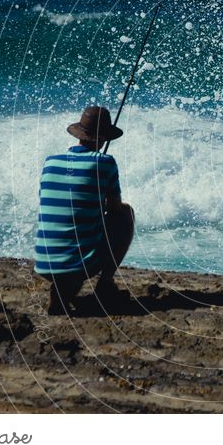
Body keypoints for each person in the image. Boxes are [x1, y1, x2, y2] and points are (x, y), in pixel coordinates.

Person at [33, 105, 135, 315]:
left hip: (43, 262)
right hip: (80, 264)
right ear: (104, 138)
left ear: (79, 134)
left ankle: (62, 290)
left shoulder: (51, 161)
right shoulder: (105, 163)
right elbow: (115, 208)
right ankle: (104, 284)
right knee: (126, 213)